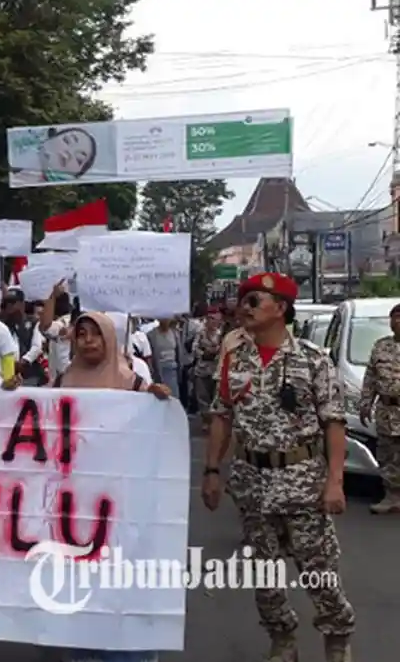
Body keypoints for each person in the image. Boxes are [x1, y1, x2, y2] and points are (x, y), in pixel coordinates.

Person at [202, 272, 354, 662]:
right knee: (264, 575)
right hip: (252, 484)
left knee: (317, 572)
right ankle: (282, 640)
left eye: (255, 301)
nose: (244, 309)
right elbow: (221, 416)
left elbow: (334, 422)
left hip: (302, 484)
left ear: (281, 309)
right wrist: (212, 471)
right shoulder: (235, 359)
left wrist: (335, 482)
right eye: (243, 301)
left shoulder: (312, 359)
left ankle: (337, 639)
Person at [15, 311, 170, 662]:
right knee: (77, 576)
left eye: (95, 335)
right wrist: (12, 393)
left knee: (119, 576)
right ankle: (83, 647)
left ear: (109, 339)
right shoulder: (63, 380)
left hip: (119, 501)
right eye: (81, 334)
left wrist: (158, 399)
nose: (87, 341)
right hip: (73, 500)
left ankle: (130, 652)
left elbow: (153, 428)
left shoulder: (131, 382)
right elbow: (35, 415)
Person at [358, 301, 400, 514]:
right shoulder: (381, 346)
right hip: (387, 411)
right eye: (395, 318)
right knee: (387, 455)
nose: (398, 322)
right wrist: (365, 403)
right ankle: (392, 497)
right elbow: (371, 378)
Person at [0, 290, 47, 386]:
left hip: (30, 375)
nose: (9, 307)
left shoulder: (33, 322)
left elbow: (37, 347)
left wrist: (24, 361)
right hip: (7, 375)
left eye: (13, 303)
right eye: (7, 304)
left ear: (22, 304)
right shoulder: (1, 325)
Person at [191, 307, 224, 428]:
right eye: (210, 319)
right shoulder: (201, 332)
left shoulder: (222, 334)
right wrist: (203, 353)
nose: (213, 322)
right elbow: (194, 348)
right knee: (202, 396)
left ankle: (215, 420)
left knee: (215, 397)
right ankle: (206, 420)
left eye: (215, 319)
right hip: (202, 369)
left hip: (216, 370)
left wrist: (216, 352)